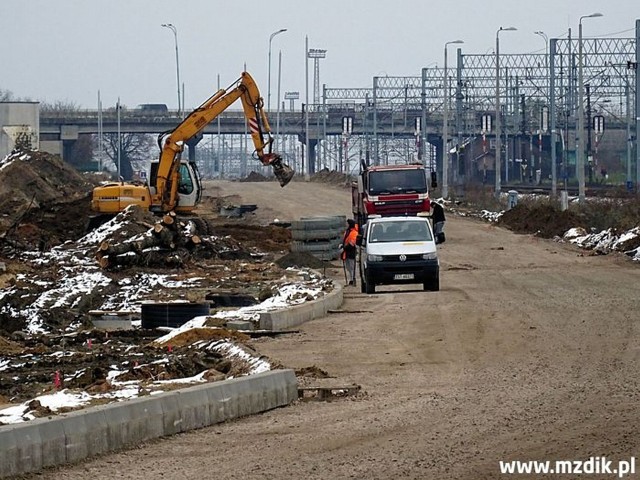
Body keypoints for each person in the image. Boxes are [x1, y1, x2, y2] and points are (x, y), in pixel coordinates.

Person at [341, 219, 359, 286]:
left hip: (351, 252)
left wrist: (344, 248)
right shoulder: (347, 232)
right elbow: (345, 240)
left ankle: (353, 279)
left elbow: (352, 243)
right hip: (346, 252)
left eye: (347, 223)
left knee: (352, 267)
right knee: (348, 267)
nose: (346, 225)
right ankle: (351, 279)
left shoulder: (354, 233)